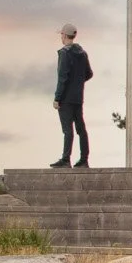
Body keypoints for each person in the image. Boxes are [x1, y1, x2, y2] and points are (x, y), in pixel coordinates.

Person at [50, 22, 91, 169]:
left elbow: (62, 78)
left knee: (67, 130)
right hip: (78, 98)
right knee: (81, 129)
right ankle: (84, 160)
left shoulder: (64, 53)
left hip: (66, 99)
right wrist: (77, 83)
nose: (61, 36)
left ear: (65, 35)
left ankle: (65, 160)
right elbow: (89, 74)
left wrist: (57, 98)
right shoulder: (82, 53)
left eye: (61, 34)